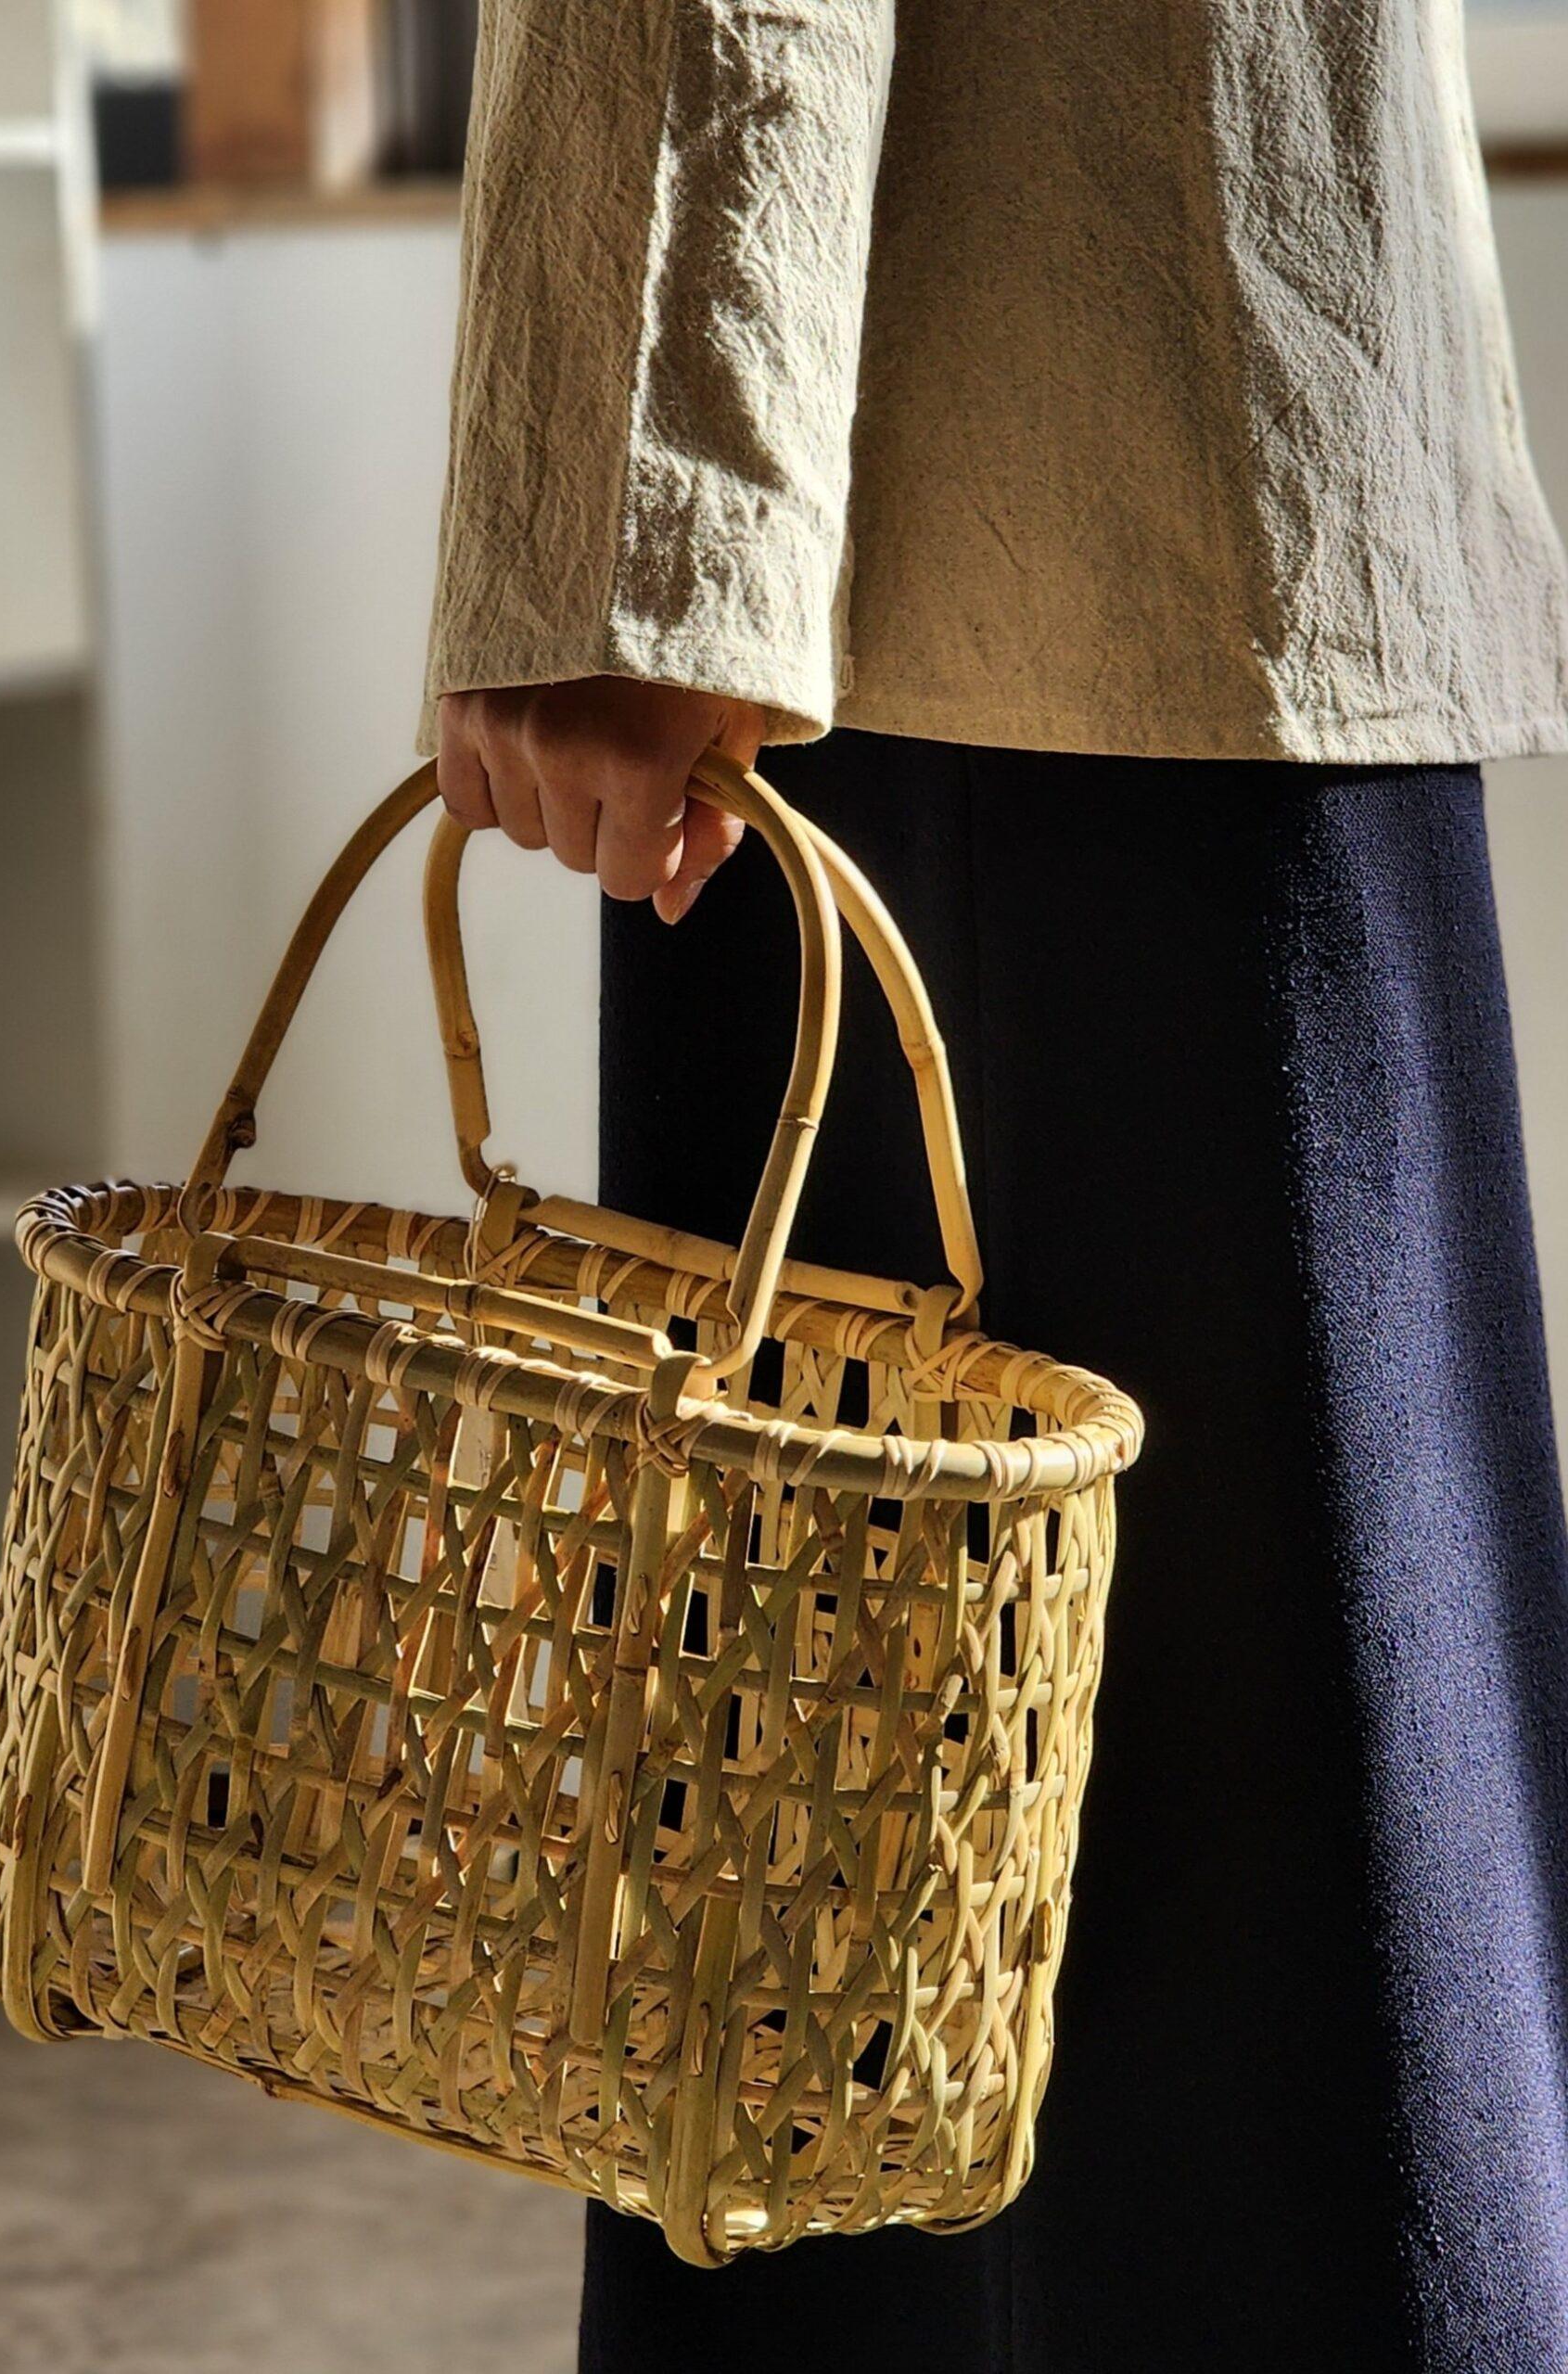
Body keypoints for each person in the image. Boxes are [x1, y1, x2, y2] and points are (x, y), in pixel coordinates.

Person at [421, 6, 1568, 2368]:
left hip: (952, 498)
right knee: (1330, 1826)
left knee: (877, 1949)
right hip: (1251, 405)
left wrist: (630, 543)